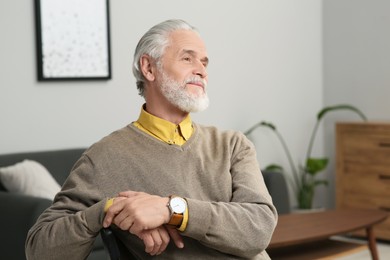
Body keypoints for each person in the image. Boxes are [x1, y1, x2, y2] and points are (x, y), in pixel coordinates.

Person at [25, 19, 277, 259]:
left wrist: (172, 210)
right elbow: (40, 250)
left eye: (204, 63)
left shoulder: (233, 145)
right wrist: (108, 210)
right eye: (187, 58)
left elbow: (259, 227)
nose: (201, 71)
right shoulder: (104, 157)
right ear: (148, 68)